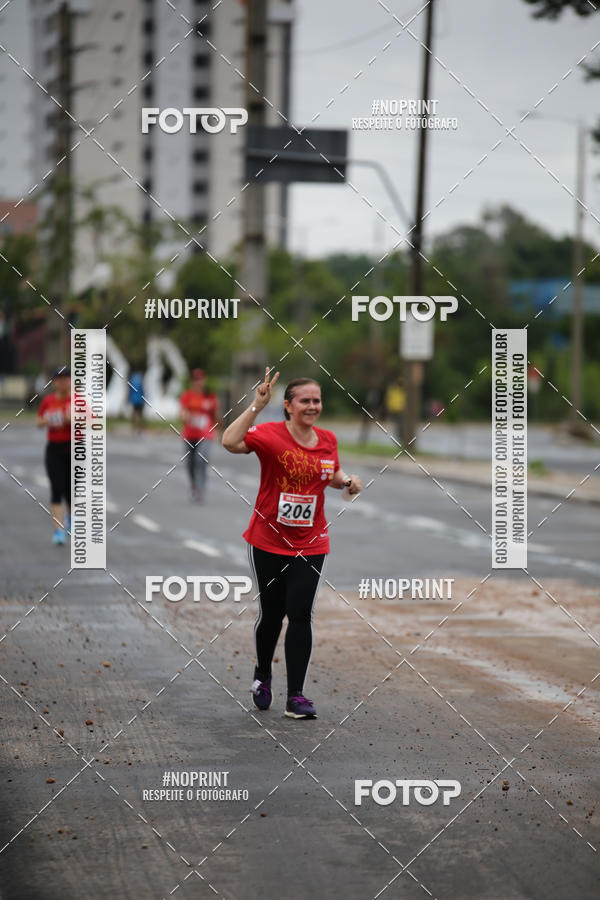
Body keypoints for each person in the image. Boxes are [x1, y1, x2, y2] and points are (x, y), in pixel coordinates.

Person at [222, 370, 362, 719]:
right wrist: (256, 406)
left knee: (300, 614)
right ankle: (262, 676)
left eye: (317, 400)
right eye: (305, 401)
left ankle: (296, 696)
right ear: (288, 406)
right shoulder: (269, 434)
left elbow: (330, 473)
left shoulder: (328, 439)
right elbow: (229, 441)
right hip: (267, 539)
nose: (312, 406)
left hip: (311, 542)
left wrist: (347, 481)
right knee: (272, 614)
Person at [37, 366, 71, 545]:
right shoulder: (48, 401)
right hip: (54, 449)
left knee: (70, 490)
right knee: (56, 489)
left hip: (74, 448)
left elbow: (91, 420)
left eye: (65, 378)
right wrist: (50, 419)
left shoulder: (77, 400)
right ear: (54, 382)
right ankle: (58, 531)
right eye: (58, 379)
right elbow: (39, 421)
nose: (62, 382)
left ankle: (71, 520)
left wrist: (73, 419)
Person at [179, 368, 220, 501]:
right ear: (192, 381)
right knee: (190, 463)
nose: (198, 382)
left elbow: (216, 415)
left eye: (200, 379)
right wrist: (187, 417)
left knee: (200, 459)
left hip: (206, 434)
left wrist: (219, 430)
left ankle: (200, 488)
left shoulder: (210, 396)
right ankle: (193, 485)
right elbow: (182, 413)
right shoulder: (187, 396)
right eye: (196, 380)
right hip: (189, 434)